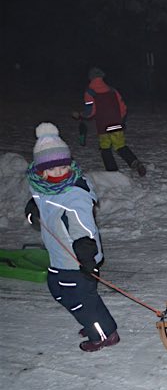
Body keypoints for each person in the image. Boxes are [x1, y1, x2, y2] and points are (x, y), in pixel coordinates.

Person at [24, 122, 120, 352]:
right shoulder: (42, 188)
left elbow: (83, 230)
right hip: (58, 258)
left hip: (76, 261)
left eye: (62, 166)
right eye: (51, 168)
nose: (58, 172)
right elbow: (40, 204)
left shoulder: (74, 195)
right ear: (40, 170)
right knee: (61, 291)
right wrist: (32, 209)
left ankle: (102, 335)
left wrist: (88, 260)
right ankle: (100, 325)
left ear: (69, 164)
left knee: (79, 300)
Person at [74, 67, 146, 176]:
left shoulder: (90, 92)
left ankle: (113, 173)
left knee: (105, 148)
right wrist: (121, 120)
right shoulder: (113, 90)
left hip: (103, 125)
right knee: (120, 146)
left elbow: (90, 112)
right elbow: (123, 108)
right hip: (116, 123)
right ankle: (135, 163)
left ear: (90, 78)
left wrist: (80, 115)